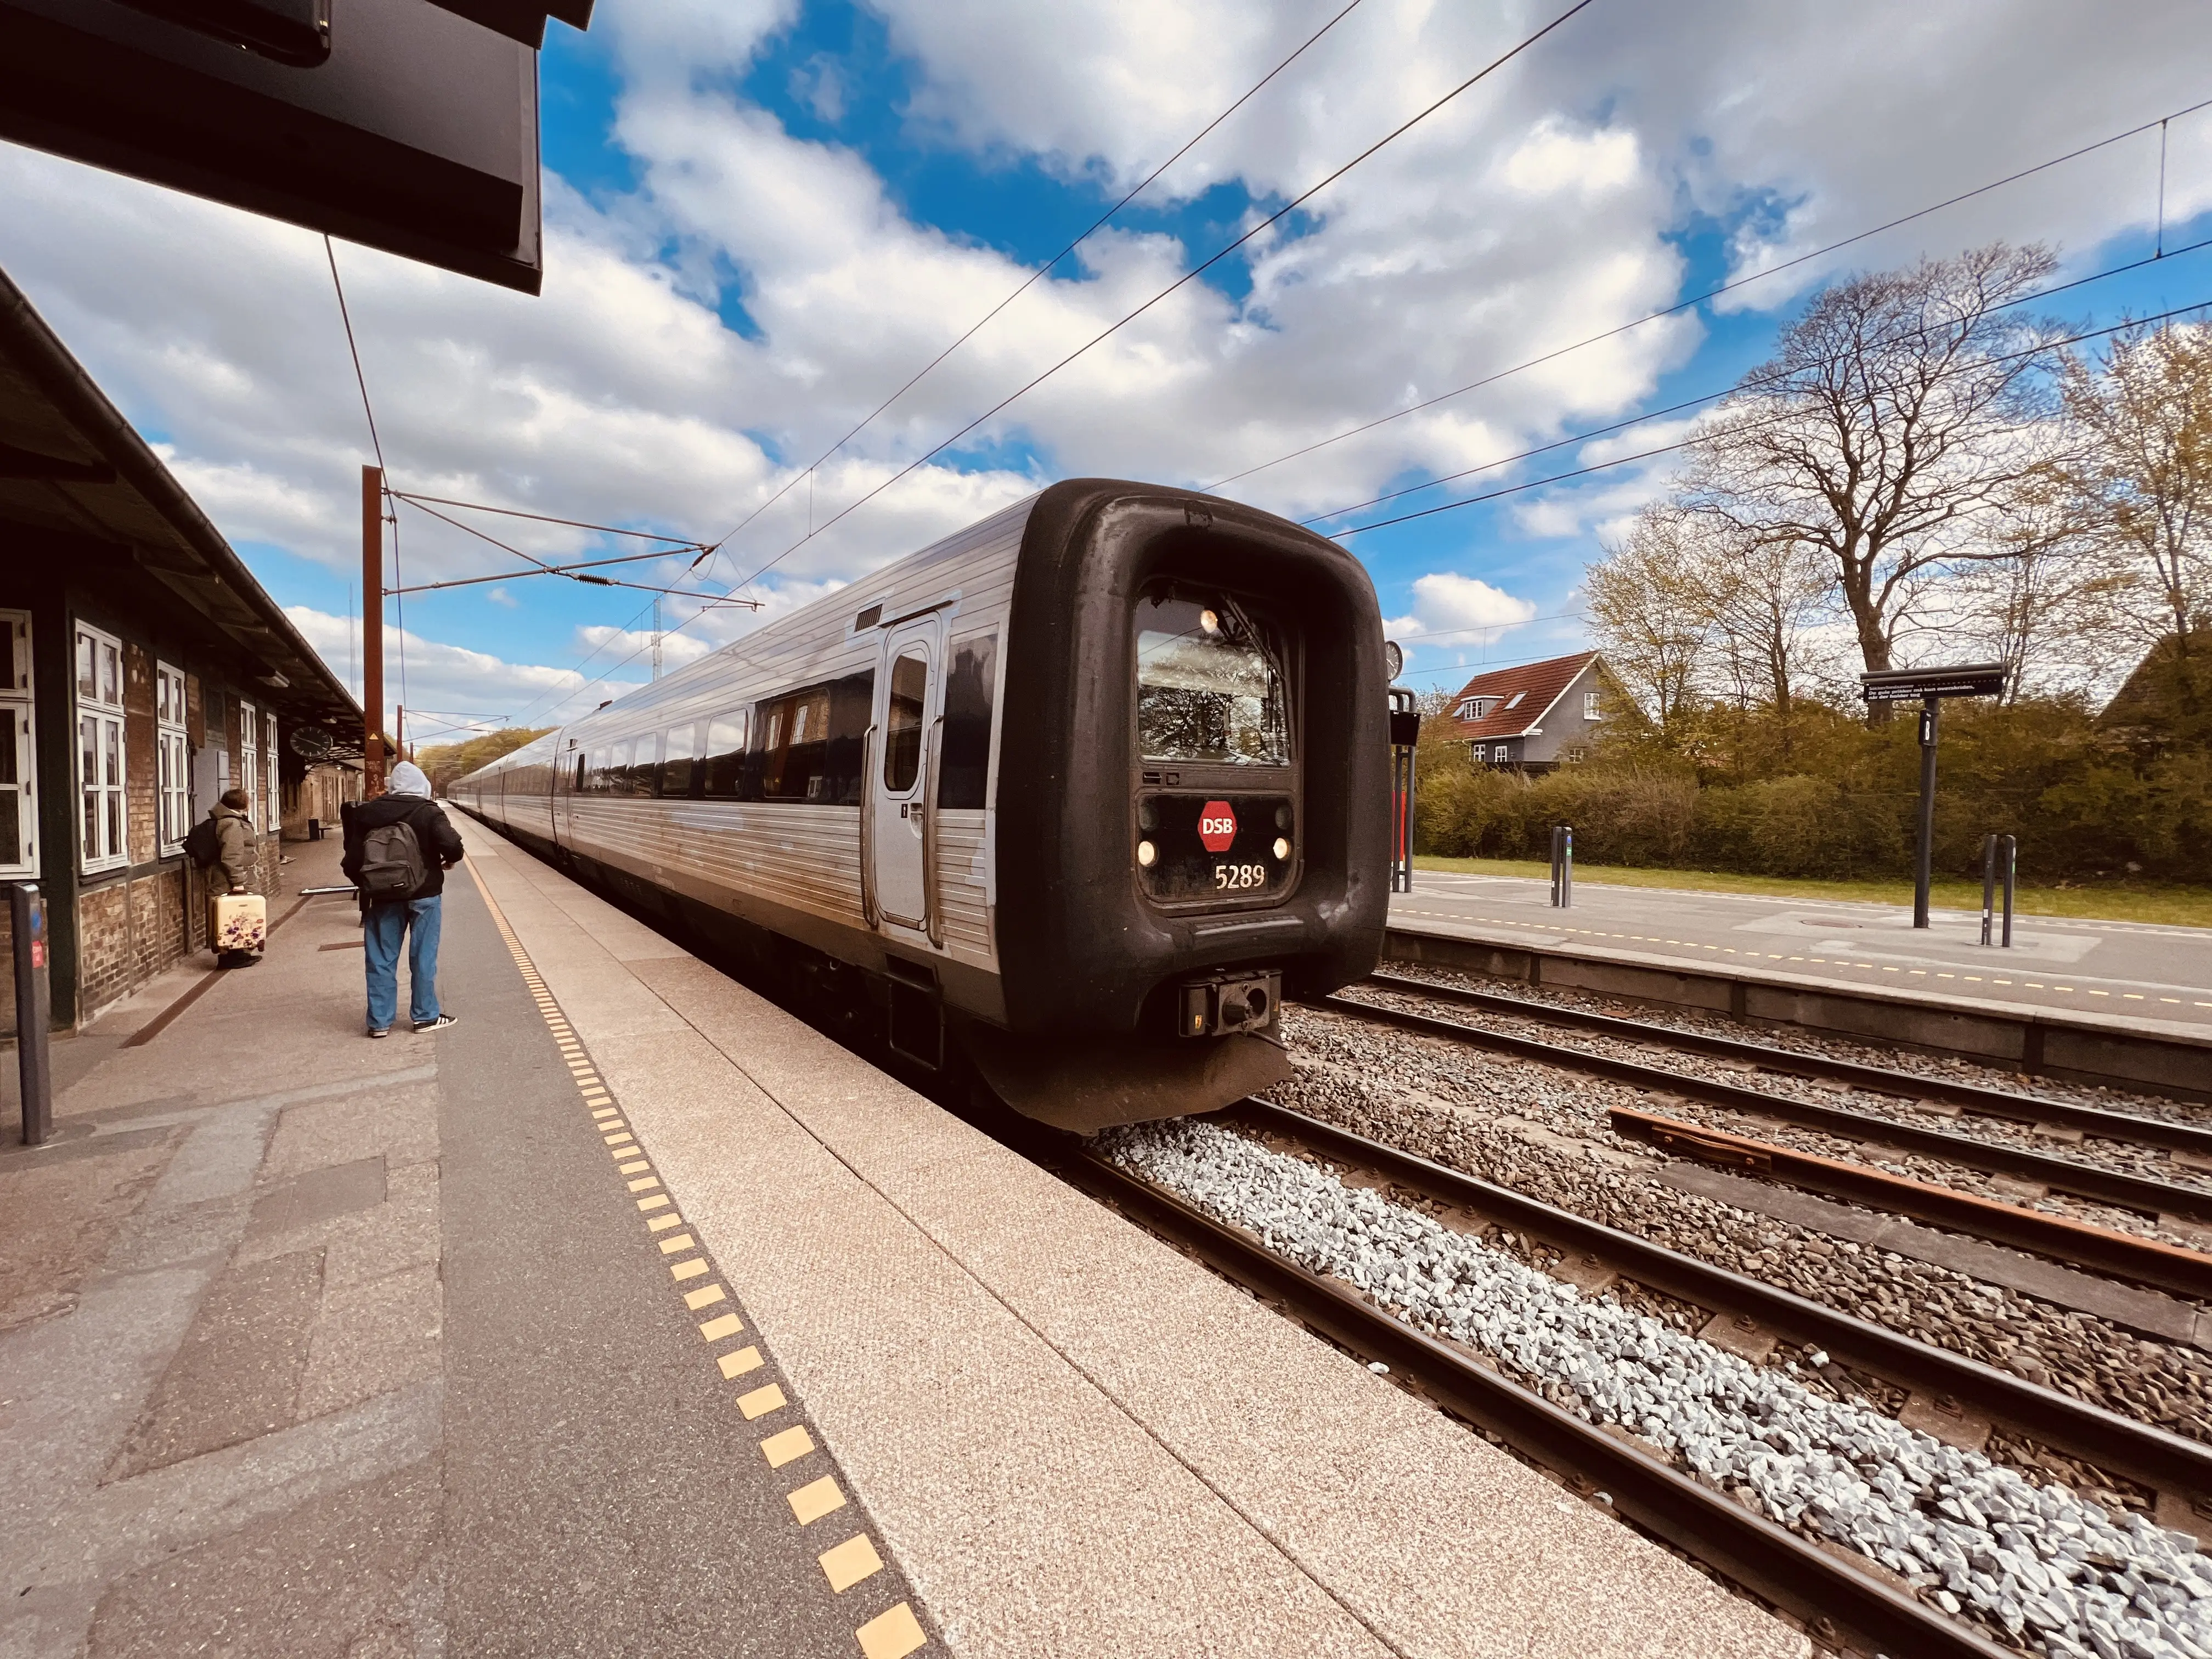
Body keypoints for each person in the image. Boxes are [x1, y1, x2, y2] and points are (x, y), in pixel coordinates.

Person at [342, 760, 466, 1039]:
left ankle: (379, 1023)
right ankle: (425, 1017)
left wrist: (371, 884)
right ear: (423, 786)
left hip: (383, 898)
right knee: (423, 956)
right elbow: (454, 847)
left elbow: (351, 861)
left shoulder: (366, 814)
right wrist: (446, 861)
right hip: (425, 895)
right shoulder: (428, 811)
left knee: (380, 958)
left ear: (392, 787)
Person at [210, 787, 261, 969]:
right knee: (235, 916)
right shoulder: (231, 823)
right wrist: (238, 882)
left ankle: (239, 954)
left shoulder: (231, 820)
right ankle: (232, 957)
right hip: (231, 879)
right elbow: (231, 856)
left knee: (239, 916)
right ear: (242, 804)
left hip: (235, 876)